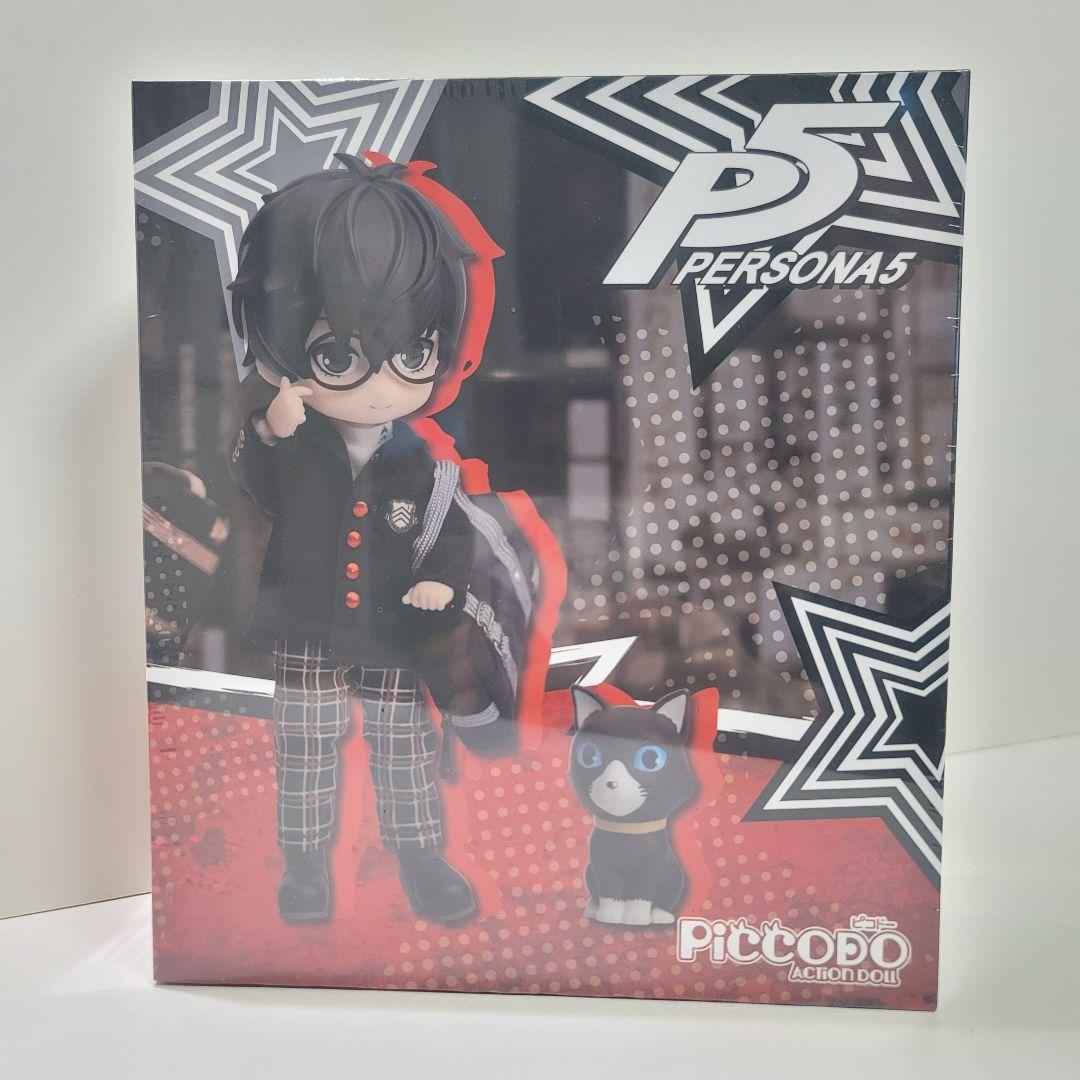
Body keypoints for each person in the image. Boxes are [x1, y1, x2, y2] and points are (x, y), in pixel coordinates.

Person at [227, 154, 509, 925]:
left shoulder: (421, 458)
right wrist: (270, 431)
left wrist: (443, 582)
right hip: (305, 623)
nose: (383, 383)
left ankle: (419, 856)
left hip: (391, 627)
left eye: (413, 353)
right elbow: (257, 488)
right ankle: (305, 866)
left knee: (404, 746)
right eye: (338, 356)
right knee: (305, 746)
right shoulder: (296, 441)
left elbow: (448, 529)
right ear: (285, 348)